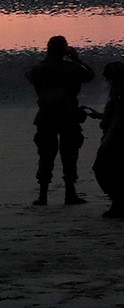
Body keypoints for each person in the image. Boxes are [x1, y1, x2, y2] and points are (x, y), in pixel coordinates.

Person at [27, 35, 94, 207]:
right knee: (69, 154)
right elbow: (89, 76)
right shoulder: (71, 68)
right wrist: (76, 58)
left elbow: (30, 76)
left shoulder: (39, 69)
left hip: (46, 115)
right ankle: (70, 193)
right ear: (64, 49)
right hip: (68, 115)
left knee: (46, 154)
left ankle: (43, 196)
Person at [92, 61, 124, 218]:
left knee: (106, 169)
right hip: (120, 137)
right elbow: (119, 115)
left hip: (117, 138)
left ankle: (120, 203)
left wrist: (108, 138)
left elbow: (120, 117)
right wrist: (99, 116)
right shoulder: (121, 91)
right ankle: (119, 203)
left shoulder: (119, 92)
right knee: (116, 171)